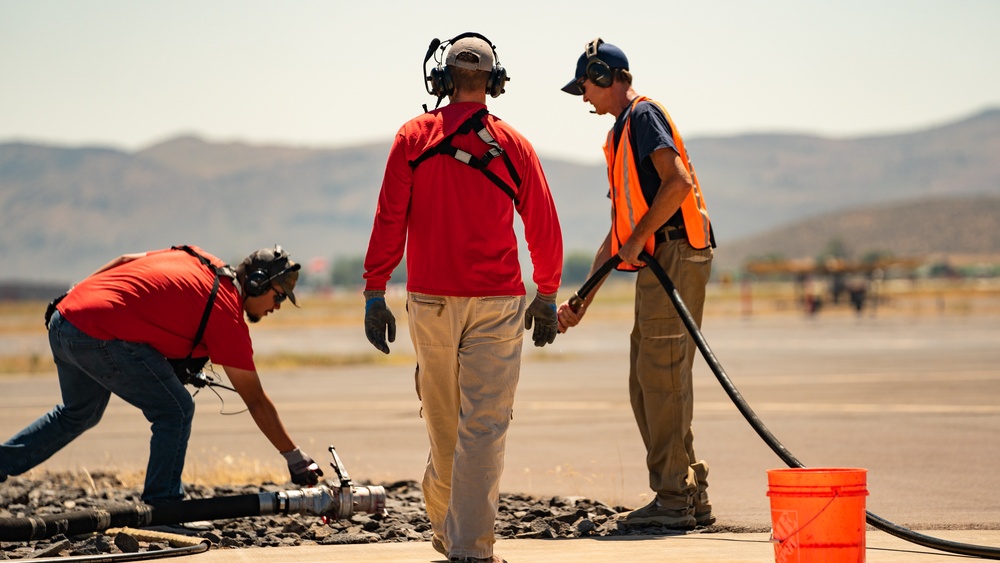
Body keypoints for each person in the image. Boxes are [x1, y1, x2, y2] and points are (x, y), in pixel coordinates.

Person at [362, 32, 563, 563]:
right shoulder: (514, 145)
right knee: (483, 427)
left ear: (441, 80)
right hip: (498, 304)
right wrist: (545, 293)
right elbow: (543, 223)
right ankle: (468, 545)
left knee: (444, 422)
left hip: (429, 302)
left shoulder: (413, 137)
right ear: (495, 83)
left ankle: (459, 540)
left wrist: (375, 290)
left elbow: (389, 220)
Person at [0, 244, 324, 502]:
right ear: (256, 284)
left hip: (64, 316)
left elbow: (125, 259)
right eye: (278, 295)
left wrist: (73, 296)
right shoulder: (225, 312)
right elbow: (255, 400)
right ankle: (164, 502)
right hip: (96, 334)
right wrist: (293, 456)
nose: (278, 306)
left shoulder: (199, 258)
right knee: (175, 409)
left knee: (77, 414)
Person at [557, 38, 717, 530]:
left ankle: (673, 499)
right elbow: (622, 229)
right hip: (659, 257)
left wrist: (643, 236)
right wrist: (584, 295)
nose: (584, 97)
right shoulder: (622, 133)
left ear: (606, 76)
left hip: (673, 253)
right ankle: (686, 492)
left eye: (586, 85)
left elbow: (679, 184)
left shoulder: (643, 118)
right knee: (649, 379)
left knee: (661, 377)